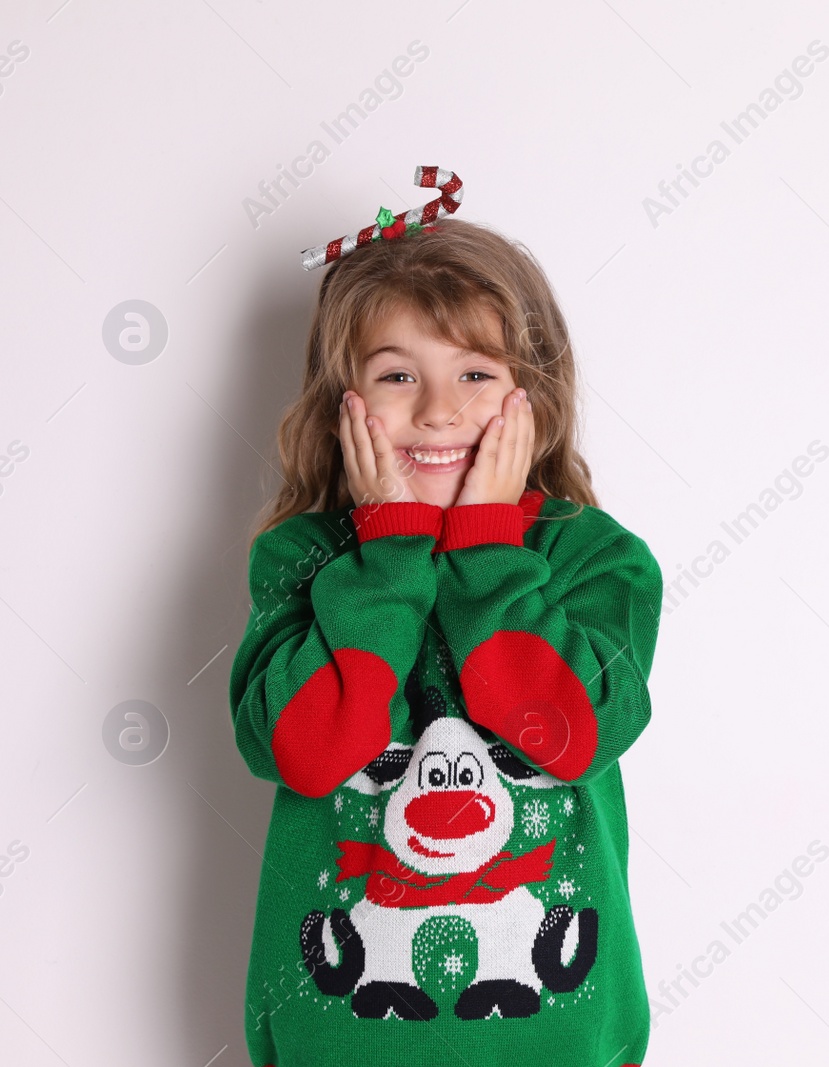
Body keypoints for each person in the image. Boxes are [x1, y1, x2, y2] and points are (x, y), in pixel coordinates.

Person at [228, 181, 662, 1067]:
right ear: (342, 401)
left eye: (475, 374)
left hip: (557, 1046)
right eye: (398, 375)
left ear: (533, 395)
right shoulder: (301, 560)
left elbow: (569, 733)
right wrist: (388, 554)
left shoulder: (595, 559)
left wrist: (489, 549)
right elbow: (306, 751)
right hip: (335, 1045)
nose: (436, 410)